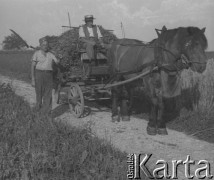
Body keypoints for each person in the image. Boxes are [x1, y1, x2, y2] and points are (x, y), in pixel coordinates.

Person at [31, 37, 60, 116]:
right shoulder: (36, 53)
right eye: (43, 45)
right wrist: (33, 79)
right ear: (40, 45)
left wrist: (57, 56)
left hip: (48, 75)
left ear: (48, 46)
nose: (45, 46)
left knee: (48, 94)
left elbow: (57, 62)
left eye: (46, 45)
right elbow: (33, 66)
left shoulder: (50, 54)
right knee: (39, 93)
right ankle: (38, 111)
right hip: (39, 74)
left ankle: (46, 113)